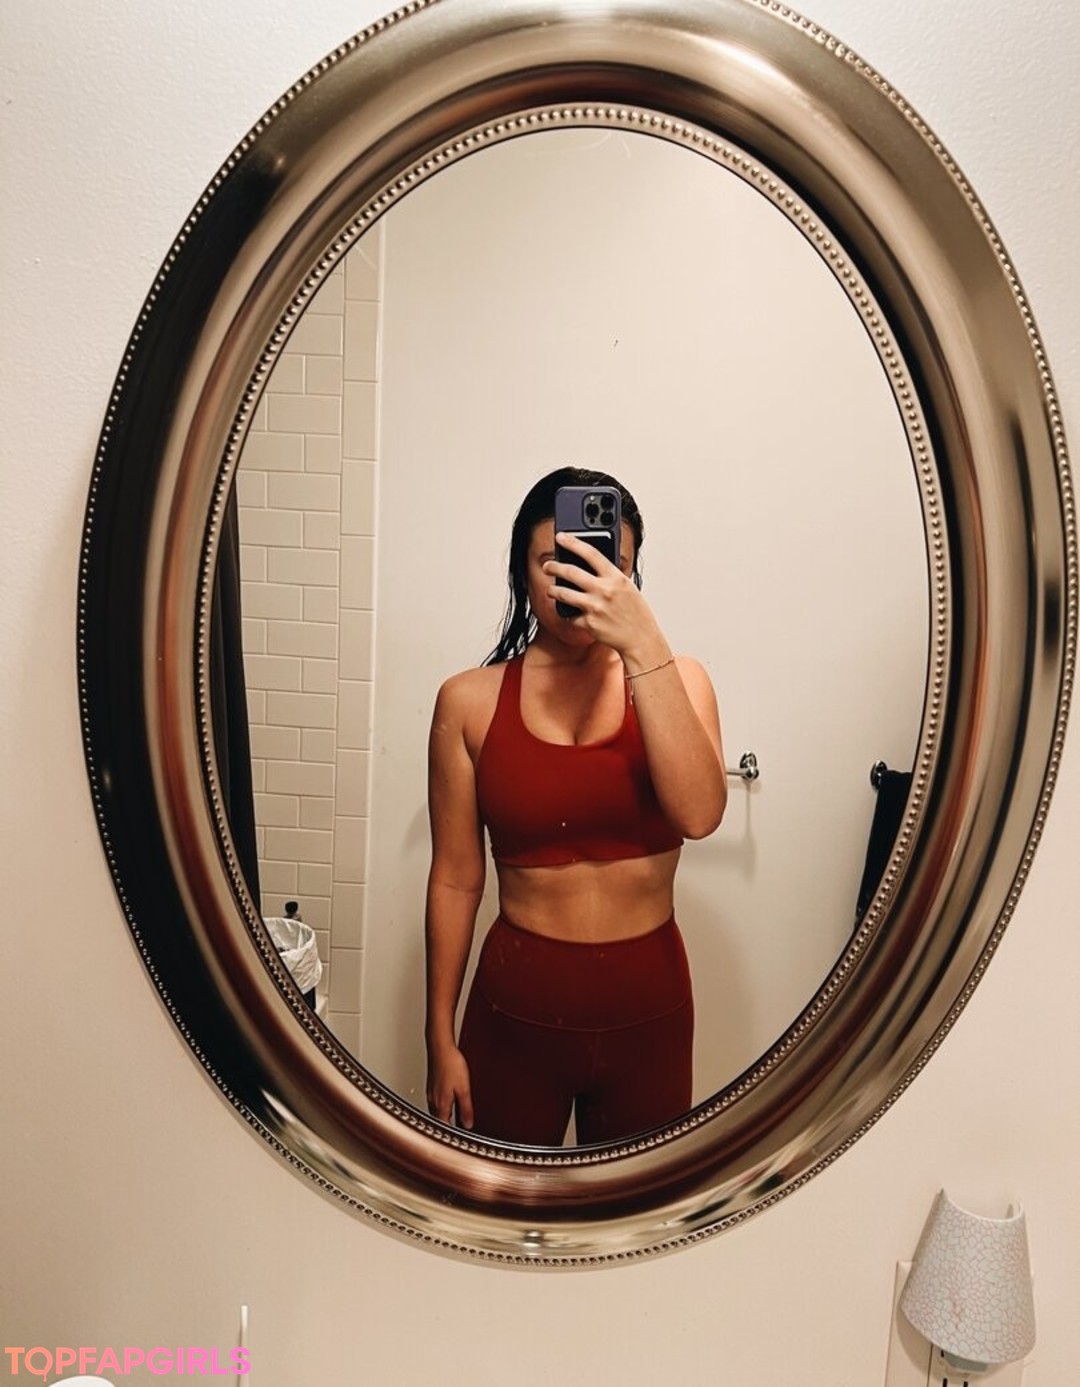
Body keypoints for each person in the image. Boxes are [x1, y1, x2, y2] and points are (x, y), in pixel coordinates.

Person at [424, 467, 726, 1145]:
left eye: (604, 561)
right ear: (522, 571)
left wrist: (643, 643)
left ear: (631, 574)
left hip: (649, 1015)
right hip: (512, 1014)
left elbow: (700, 815)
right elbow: (455, 878)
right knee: (495, 1202)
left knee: (635, 1208)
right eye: (554, 560)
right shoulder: (468, 702)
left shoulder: (681, 681)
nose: (578, 579)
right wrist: (438, 1034)